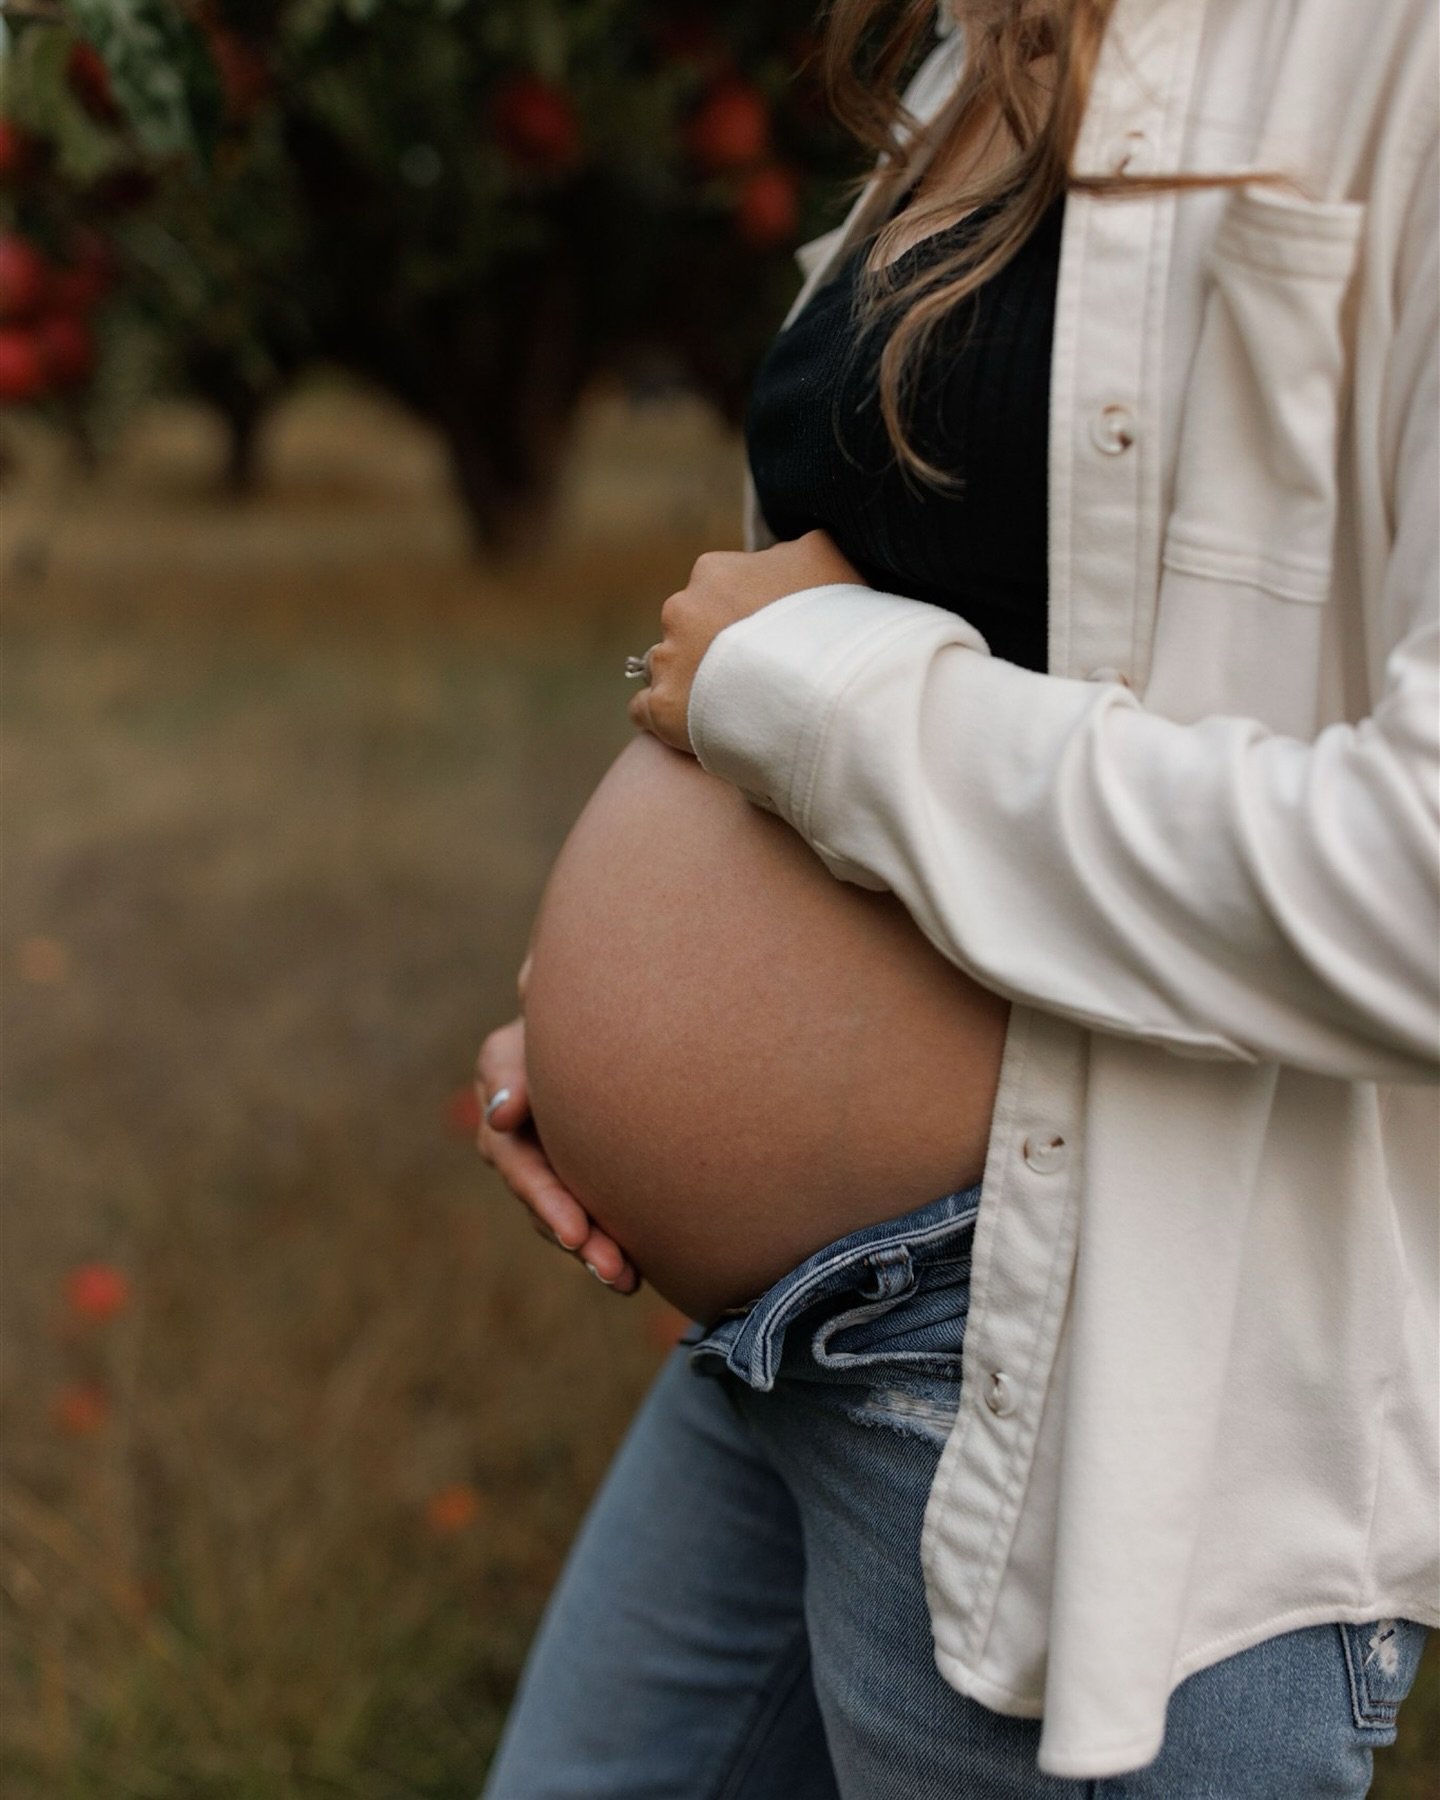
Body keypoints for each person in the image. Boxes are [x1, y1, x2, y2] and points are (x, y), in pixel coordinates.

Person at [475, 0, 1438, 1792]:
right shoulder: (978, 48)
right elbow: (863, 587)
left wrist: (816, 704)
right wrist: (610, 1002)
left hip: (1076, 1363)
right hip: (774, 1345)